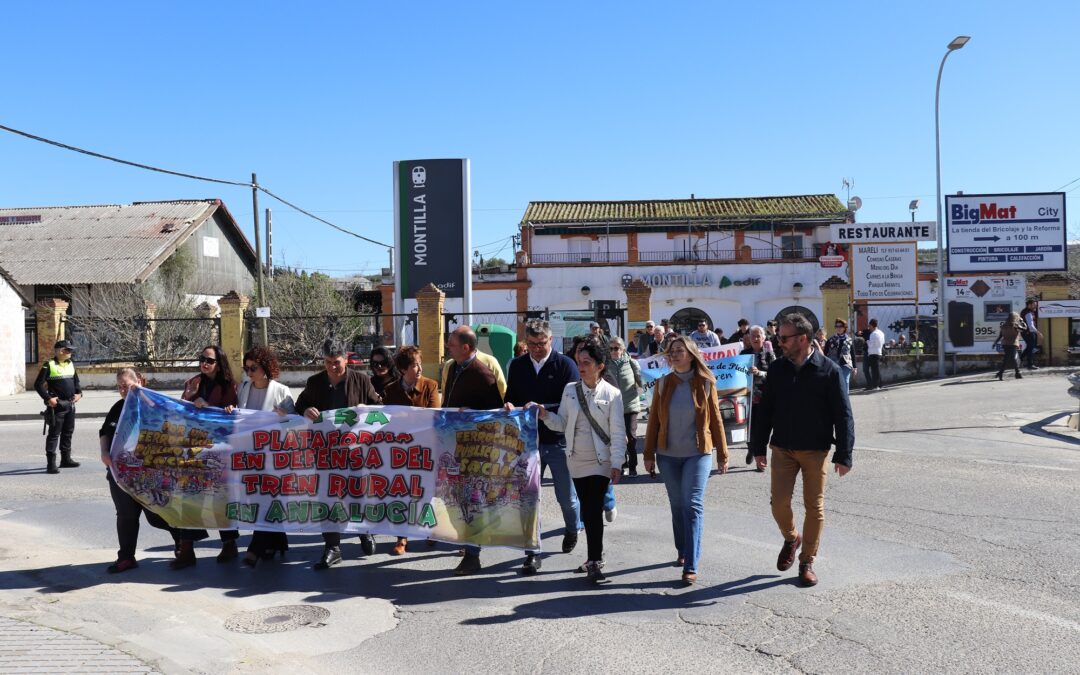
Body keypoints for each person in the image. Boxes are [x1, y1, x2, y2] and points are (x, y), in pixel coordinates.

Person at [749, 313, 854, 587]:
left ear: (802, 339)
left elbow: (843, 415)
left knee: (814, 507)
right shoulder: (777, 369)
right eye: (778, 337)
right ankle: (791, 537)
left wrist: (844, 454)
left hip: (815, 450)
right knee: (779, 504)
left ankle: (807, 561)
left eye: (783, 338)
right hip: (782, 447)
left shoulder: (828, 370)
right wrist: (757, 446)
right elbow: (765, 411)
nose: (779, 342)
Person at [533, 336, 625, 584]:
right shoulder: (570, 390)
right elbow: (562, 423)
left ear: (599, 366)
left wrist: (617, 463)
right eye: (579, 361)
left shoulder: (613, 394)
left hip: (600, 461)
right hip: (576, 460)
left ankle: (595, 560)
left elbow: (618, 432)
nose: (581, 366)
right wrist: (545, 415)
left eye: (586, 362)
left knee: (593, 509)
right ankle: (593, 557)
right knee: (587, 507)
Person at [643, 336, 728, 585]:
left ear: (691, 355)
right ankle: (682, 549)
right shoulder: (661, 384)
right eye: (671, 351)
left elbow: (716, 420)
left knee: (692, 505)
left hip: (698, 453)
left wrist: (722, 454)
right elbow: (653, 423)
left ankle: (691, 563)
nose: (675, 354)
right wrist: (648, 454)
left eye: (680, 350)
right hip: (667, 455)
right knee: (677, 504)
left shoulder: (706, 382)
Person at [502, 320, 581, 575]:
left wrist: (543, 409)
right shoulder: (517, 365)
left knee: (566, 497)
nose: (537, 349)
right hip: (527, 442)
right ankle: (532, 553)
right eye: (533, 344)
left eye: (542, 343)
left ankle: (572, 527)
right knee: (529, 499)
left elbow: (572, 405)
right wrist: (509, 406)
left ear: (551, 340)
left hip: (557, 441)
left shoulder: (566, 366)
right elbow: (510, 396)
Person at [295, 339, 382, 569]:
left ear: (346, 359)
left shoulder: (361, 380)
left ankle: (364, 531)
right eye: (328, 362)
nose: (333, 367)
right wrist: (305, 409)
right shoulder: (315, 382)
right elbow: (299, 406)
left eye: (337, 362)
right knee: (327, 497)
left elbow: (380, 407)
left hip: (356, 451)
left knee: (359, 493)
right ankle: (332, 547)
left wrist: (368, 410)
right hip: (325, 452)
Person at [100, 367, 178, 573]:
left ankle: (183, 544)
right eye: (119, 387)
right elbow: (105, 432)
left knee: (157, 514)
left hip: (149, 472)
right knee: (126, 515)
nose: (123, 390)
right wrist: (104, 453)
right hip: (120, 474)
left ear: (140, 381)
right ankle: (126, 557)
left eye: (127, 385)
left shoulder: (154, 405)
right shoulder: (118, 407)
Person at [443, 326, 504, 575]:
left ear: (466, 347)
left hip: (475, 450)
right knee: (458, 499)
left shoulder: (482, 372)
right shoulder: (452, 367)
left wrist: (471, 416)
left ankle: (472, 555)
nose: (448, 347)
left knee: (471, 500)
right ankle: (471, 543)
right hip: (454, 443)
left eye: (452, 344)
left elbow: (496, 413)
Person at [226, 346, 295, 567]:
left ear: (266, 367)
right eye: (246, 368)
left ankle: (254, 550)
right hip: (249, 454)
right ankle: (278, 541)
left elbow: (295, 423)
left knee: (266, 499)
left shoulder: (282, 391)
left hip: (273, 456)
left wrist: (285, 416)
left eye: (253, 368)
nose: (249, 372)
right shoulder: (244, 388)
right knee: (259, 499)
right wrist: (231, 410)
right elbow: (240, 416)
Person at [174, 344, 239, 569]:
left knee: (220, 497)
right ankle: (186, 549)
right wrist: (194, 404)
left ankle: (229, 543)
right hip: (193, 446)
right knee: (189, 496)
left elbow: (233, 415)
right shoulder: (192, 383)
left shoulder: (229, 385)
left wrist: (212, 407)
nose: (204, 363)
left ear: (219, 363)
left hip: (219, 449)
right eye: (202, 359)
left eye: (209, 360)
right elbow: (181, 410)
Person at [382, 345, 441, 555]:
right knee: (403, 493)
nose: (420, 368)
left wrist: (405, 418)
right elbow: (387, 421)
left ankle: (431, 531)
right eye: (415, 365)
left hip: (426, 450)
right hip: (401, 452)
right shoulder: (390, 390)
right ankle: (402, 538)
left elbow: (433, 415)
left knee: (427, 493)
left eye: (420, 363)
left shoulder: (430, 386)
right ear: (403, 369)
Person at [35, 339, 83, 474]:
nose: (71, 353)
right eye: (69, 350)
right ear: (61, 351)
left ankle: (66, 460)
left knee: (68, 432)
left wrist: (79, 394)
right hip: (57, 407)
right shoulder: (48, 365)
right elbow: (38, 385)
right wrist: (48, 399)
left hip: (70, 404)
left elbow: (76, 382)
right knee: (54, 434)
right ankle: (51, 464)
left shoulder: (70, 363)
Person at [603, 336, 643, 477]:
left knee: (630, 437)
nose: (614, 351)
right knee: (616, 437)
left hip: (630, 405)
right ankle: (622, 463)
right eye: (611, 348)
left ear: (623, 349)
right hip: (612, 407)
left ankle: (633, 466)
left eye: (617, 348)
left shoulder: (632, 363)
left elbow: (642, 383)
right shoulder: (605, 364)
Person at [741, 325, 775, 469]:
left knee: (762, 429)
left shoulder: (769, 355)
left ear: (763, 338)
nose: (755, 338)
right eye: (752, 336)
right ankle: (751, 448)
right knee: (749, 428)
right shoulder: (743, 354)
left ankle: (760, 459)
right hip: (746, 397)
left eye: (758, 336)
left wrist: (759, 373)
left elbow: (775, 375)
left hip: (764, 397)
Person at [824, 318, 854, 394]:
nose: (838, 328)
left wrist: (855, 367)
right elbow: (825, 353)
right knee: (835, 382)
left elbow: (852, 353)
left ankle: (845, 398)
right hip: (833, 364)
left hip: (846, 364)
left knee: (845, 381)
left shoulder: (849, 340)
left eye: (840, 326)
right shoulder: (831, 340)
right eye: (837, 326)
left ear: (844, 328)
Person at [992, 312, 1025, 380]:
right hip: (1013, 344)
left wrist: (995, 343)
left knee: (1008, 359)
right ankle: (1015, 373)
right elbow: (1025, 328)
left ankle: (1003, 373)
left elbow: (1000, 336)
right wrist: (1022, 321)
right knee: (1012, 359)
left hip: (1005, 344)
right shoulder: (1015, 326)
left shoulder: (1003, 325)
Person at [1020, 299, 1041, 370]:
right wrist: (1038, 332)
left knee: (1029, 347)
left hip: (1025, 332)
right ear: (1029, 305)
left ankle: (1020, 358)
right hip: (1029, 332)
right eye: (1034, 304)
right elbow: (1031, 326)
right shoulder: (1028, 313)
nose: (1035, 306)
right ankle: (1030, 365)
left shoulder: (1025, 311)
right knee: (1031, 348)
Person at [864, 319, 885, 391]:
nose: (869, 327)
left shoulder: (873, 334)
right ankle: (880, 384)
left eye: (869, 326)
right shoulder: (881, 333)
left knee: (874, 370)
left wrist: (867, 341)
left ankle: (876, 385)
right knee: (877, 369)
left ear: (872, 325)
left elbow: (871, 345)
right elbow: (882, 342)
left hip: (873, 353)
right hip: (879, 352)